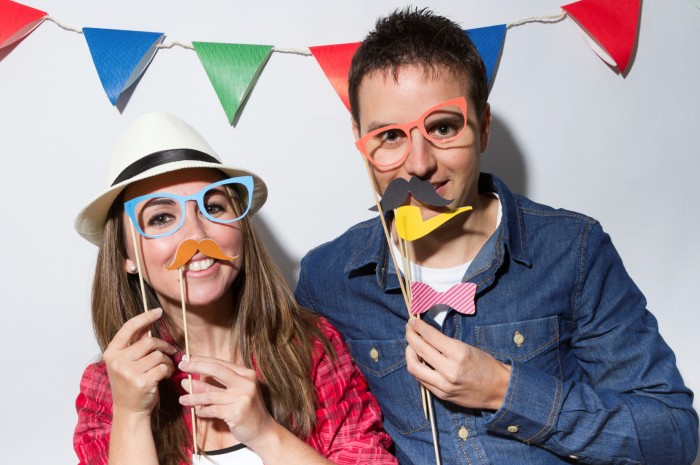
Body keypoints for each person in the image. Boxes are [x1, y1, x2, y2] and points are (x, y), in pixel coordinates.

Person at [295, 7, 698, 465]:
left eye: (443, 127)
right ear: (361, 143)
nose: (420, 163)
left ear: (483, 126)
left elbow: (673, 434)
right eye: (390, 136)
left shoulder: (573, 251)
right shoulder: (328, 280)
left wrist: (506, 390)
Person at [72, 112, 396, 465]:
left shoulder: (313, 350)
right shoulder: (108, 387)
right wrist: (132, 416)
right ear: (125, 255)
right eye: (161, 218)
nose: (196, 235)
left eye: (213, 207)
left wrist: (265, 433)